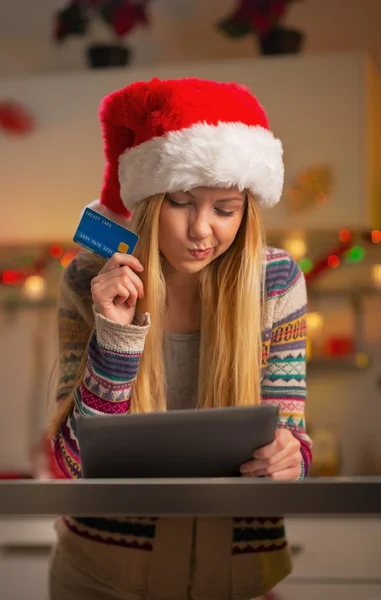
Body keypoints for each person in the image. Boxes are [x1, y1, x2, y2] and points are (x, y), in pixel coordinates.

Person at [49, 77, 312, 600]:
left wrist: (289, 458)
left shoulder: (277, 281)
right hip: (104, 574)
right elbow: (74, 460)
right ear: (149, 201)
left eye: (225, 209)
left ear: (245, 212)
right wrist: (116, 335)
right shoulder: (88, 280)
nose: (201, 230)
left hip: (234, 574)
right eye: (182, 201)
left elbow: (292, 440)